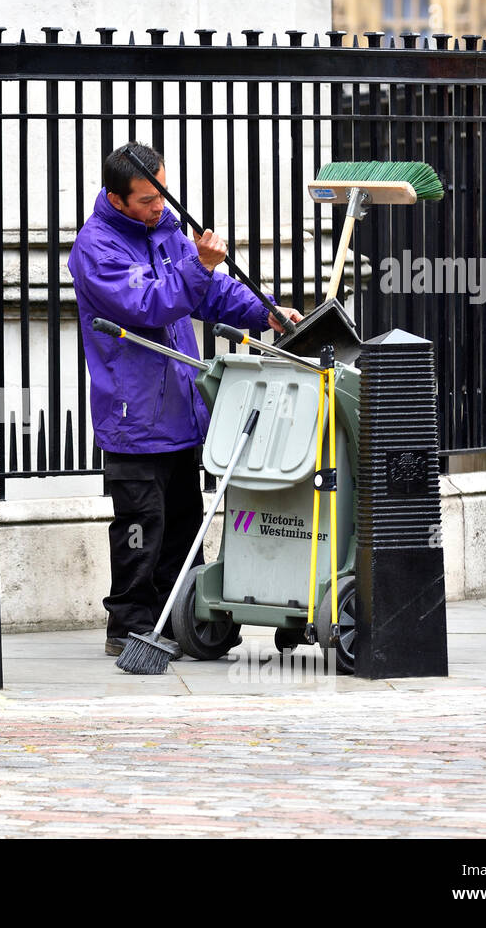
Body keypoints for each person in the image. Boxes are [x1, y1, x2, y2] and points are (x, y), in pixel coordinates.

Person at [67, 141, 302, 657]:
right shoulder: (96, 247)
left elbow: (209, 292)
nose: (160, 206)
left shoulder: (166, 231)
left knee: (183, 526)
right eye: (148, 199)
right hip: (132, 418)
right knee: (139, 528)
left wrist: (265, 311)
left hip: (180, 409)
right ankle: (128, 624)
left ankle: (180, 618)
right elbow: (147, 304)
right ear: (117, 198)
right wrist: (196, 266)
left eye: (163, 194)